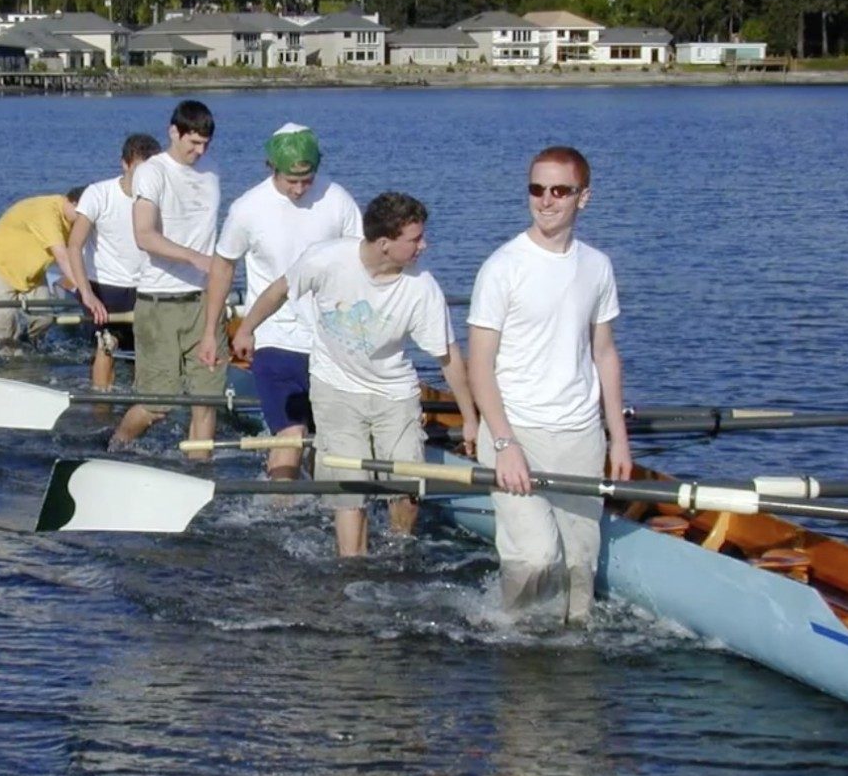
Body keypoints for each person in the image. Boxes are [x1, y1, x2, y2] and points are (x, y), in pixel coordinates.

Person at [233, 192, 478, 557]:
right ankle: (353, 566)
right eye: (415, 239)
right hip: (336, 390)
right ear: (384, 243)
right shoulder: (327, 259)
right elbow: (279, 291)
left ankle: (398, 552)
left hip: (394, 393)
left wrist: (470, 419)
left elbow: (449, 356)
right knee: (350, 489)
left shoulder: (422, 287)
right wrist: (246, 329)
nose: (424, 246)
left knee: (407, 489)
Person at [467, 145, 632, 625]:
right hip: (516, 430)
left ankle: (573, 650)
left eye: (560, 190)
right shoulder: (503, 267)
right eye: (537, 189)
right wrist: (504, 444)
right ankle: (511, 638)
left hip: (579, 435)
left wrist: (619, 437)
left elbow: (605, 353)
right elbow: (480, 365)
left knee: (579, 569)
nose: (545, 200)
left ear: (584, 197)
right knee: (536, 557)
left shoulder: (597, 266)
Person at [196, 123, 362, 480]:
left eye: (307, 180)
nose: (300, 189)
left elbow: (362, 265)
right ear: (271, 167)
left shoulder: (338, 200)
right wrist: (211, 332)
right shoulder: (247, 208)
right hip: (274, 337)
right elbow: (223, 267)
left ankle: (317, 507)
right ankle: (278, 508)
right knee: (291, 434)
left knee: (325, 443)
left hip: (330, 343)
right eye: (291, 181)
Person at [110, 100, 224, 455]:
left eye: (205, 144)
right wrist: (195, 257)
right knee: (157, 406)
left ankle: (198, 471)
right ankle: (114, 447)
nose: (199, 151)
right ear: (174, 132)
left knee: (207, 403)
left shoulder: (212, 171)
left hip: (204, 302)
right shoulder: (152, 172)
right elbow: (144, 235)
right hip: (159, 302)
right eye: (194, 143)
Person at [62, 133, 162, 389]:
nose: (144, 179)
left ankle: (143, 402)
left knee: (146, 350)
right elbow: (74, 245)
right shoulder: (99, 194)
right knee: (107, 343)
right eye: (139, 171)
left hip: (146, 285)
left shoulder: (160, 196)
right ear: (125, 164)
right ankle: (101, 404)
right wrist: (86, 293)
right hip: (105, 287)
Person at [0, 187, 84, 356]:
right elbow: (63, 258)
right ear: (73, 203)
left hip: (32, 271)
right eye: (83, 214)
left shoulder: (74, 220)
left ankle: (28, 345)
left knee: (44, 318)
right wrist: (85, 292)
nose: (85, 220)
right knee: (4, 325)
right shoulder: (47, 214)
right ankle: (8, 359)